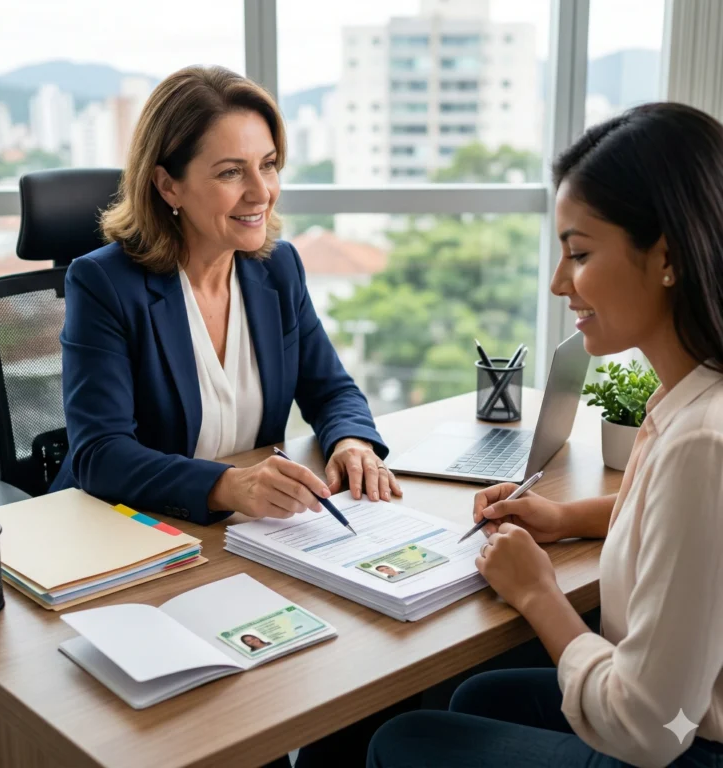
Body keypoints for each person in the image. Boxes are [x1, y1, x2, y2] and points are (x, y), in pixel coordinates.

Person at [368, 102, 723, 767]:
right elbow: (689, 525)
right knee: (479, 695)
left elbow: (651, 730)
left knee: (403, 742)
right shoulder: (694, 392)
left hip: (686, 748)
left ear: (667, 255)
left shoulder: (703, 439)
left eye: (580, 253)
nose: (561, 282)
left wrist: (537, 592)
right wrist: (564, 516)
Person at [50, 66, 402, 523]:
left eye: (268, 165)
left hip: (244, 534)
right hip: (127, 530)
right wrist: (226, 485)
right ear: (168, 185)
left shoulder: (278, 268)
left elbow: (331, 389)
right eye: (232, 172)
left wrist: (351, 442)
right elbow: (101, 454)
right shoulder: (104, 284)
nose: (261, 193)